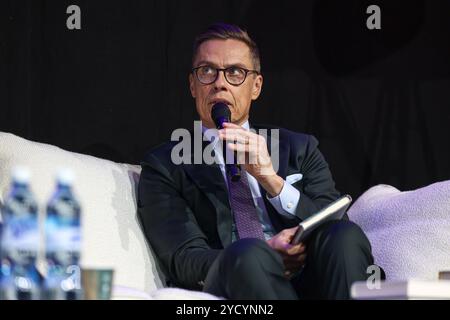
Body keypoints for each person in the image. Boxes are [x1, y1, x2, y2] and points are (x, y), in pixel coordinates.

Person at [138, 23, 380, 299]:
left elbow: (334, 220)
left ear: (256, 86)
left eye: (235, 73)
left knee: (343, 235)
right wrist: (265, 255)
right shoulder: (165, 165)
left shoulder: (299, 148)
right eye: (207, 71)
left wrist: (272, 182)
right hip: (235, 281)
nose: (220, 82)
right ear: (193, 85)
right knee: (249, 253)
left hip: (310, 279)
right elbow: (184, 258)